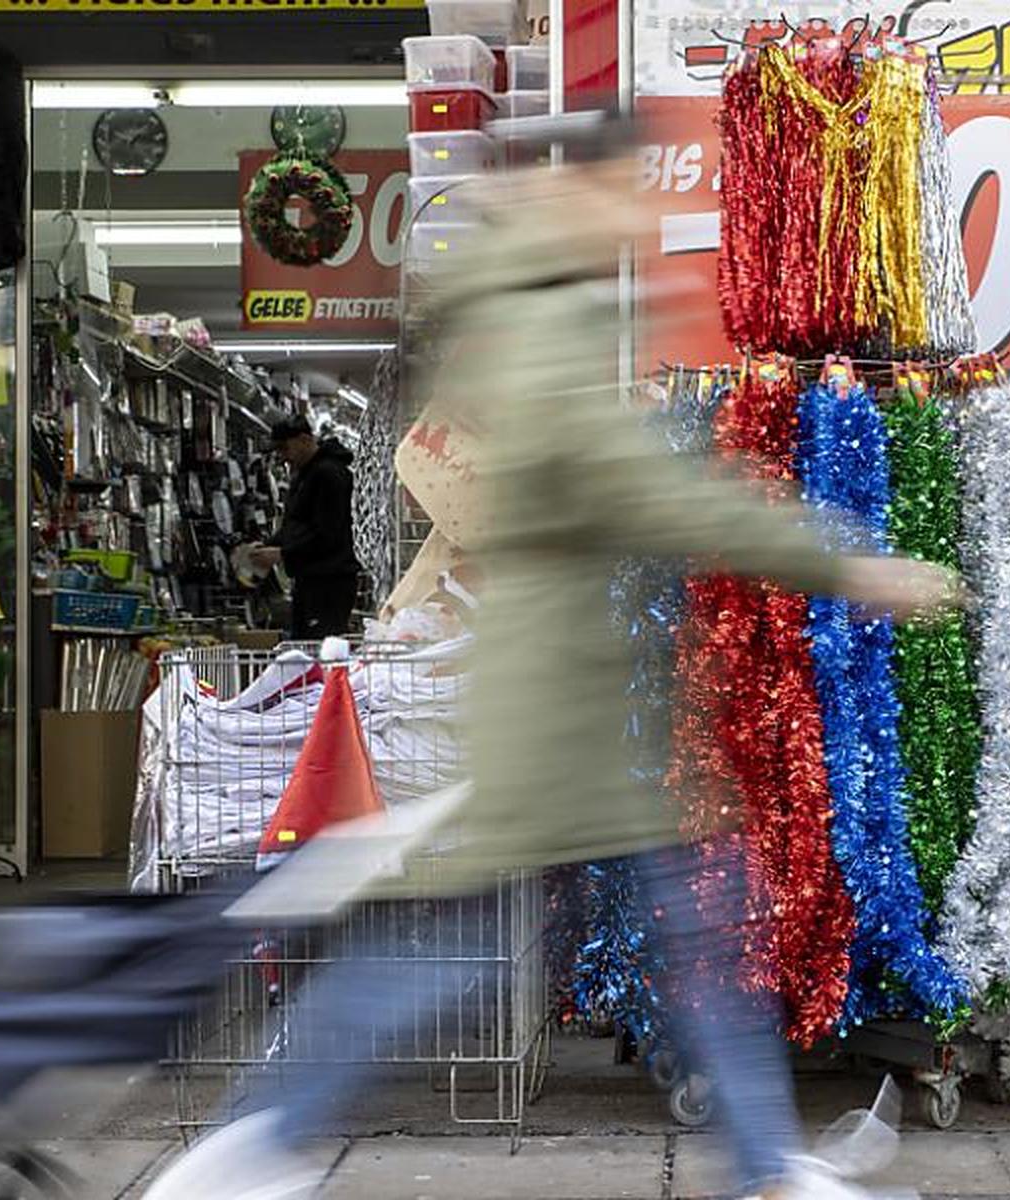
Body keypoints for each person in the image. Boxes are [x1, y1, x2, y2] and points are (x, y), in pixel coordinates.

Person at [157, 113, 959, 1200]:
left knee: (682, 926)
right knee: (482, 945)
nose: (639, 212)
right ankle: (256, 1137)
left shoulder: (538, 305)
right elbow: (632, 485)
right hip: (552, 710)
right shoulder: (541, 318)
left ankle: (767, 1169)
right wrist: (841, 560)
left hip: (568, 699)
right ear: (579, 189)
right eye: (627, 189)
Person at [251, 415, 361, 640]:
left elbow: (329, 534)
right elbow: (297, 524)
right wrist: (269, 544)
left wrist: (282, 553)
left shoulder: (329, 474)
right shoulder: (308, 475)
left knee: (320, 651)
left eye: (284, 448)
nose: (283, 457)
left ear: (303, 439)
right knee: (307, 649)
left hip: (329, 582)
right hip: (312, 579)